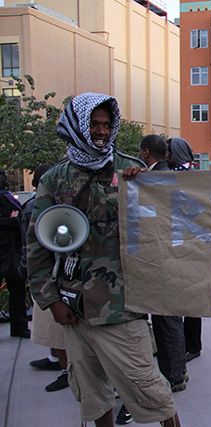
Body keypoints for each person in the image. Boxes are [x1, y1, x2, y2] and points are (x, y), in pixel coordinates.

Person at [27, 93, 180, 427]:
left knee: (151, 390)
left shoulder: (131, 171)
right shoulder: (55, 180)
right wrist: (51, 301)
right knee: (91, 395)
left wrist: (146, 188)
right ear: (78, 126)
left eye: (106, 125)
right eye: (94, 124)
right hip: (75, 310)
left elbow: (166, 224)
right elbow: (37, 245)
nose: (100, 131)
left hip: (121, 307)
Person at [115, 135, 188, 425]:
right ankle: (177, 371)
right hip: (168, 259)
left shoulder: (154, 179)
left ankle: (172, 375)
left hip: (159, 261)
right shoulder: (165, 176)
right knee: (169, 318)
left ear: (145, 152)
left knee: (166, 319)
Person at [24, 164, 70, 392]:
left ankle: (67, 371)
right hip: (51, 278)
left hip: (62, 278)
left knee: (58, 335)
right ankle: (65, 370)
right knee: (55, 334)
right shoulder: (38, 208)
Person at [166, 137, 202, 362]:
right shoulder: (172, 176)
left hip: (193, 246)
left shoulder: (191, 179)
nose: (165, 156)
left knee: (191, 299)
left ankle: (192, 345)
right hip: (179, 244)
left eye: (168, 152)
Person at [1, 168, 30, 338]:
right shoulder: (8, 200)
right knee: (17, 292)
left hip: (10, 251)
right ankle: (19, 327)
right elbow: (20, 220)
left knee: (17, 291)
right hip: (11, 252)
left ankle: (19, 327)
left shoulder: (8, 199)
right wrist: (11, 221)